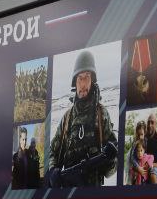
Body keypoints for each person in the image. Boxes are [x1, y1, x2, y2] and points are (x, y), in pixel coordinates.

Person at [49, 50, 118, 186]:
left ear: (92, 81)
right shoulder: (67, 118)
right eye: (80, 77)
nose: (83, 83)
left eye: (87, 76)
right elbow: (52, 150)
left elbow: (110, 173)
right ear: (75, 82)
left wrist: (111, 159)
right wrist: (52, 171)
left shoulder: (101, 115)